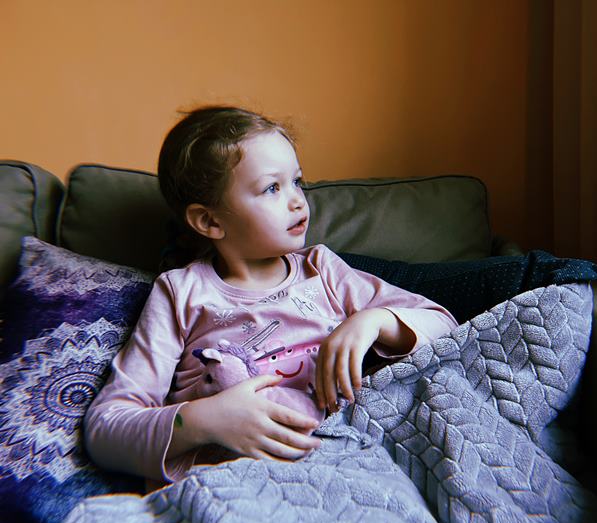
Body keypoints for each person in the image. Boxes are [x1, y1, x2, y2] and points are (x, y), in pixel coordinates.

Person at [84, 106, 458, 486]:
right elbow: (106, 429)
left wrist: (375, 321)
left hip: (352, 457)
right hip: (241, 483)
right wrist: (205, 420)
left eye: (297, 181)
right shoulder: (181, 293)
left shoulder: (322, 269)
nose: (297, 201)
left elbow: (448, 327)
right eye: (272, 188)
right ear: (210, 221)